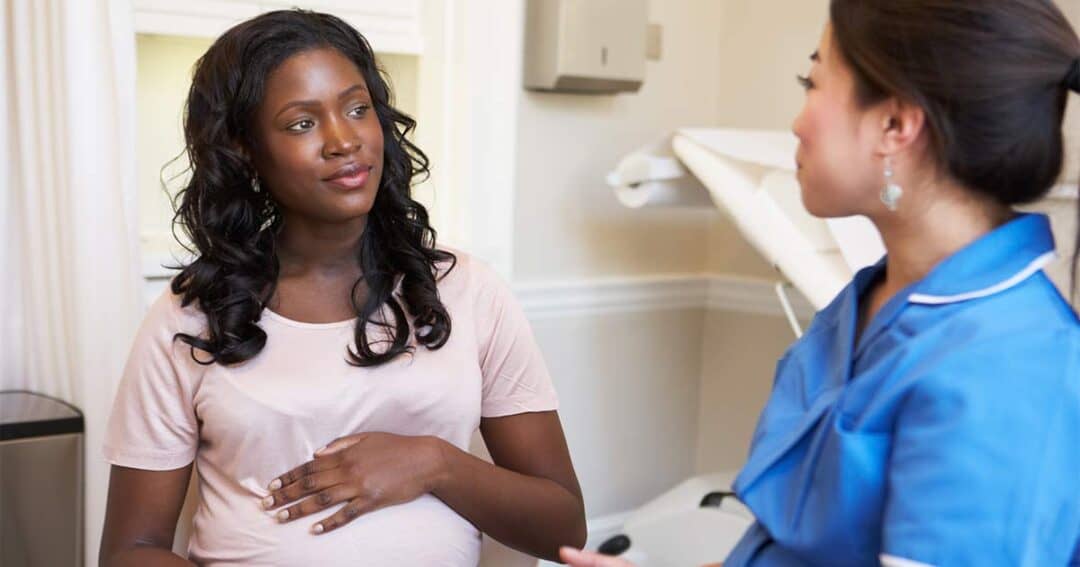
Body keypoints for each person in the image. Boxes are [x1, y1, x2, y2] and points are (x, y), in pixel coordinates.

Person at [563, 0, 1080, 565]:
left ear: (895, 124)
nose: (796, 121)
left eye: (810, 83)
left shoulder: (1010, 363)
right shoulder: (865, 306)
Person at [100, 9, 585, 566]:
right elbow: (129, 552)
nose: (343, 141)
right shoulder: (190, 316)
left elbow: (563, 527)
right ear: (244, 150)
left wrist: (434, 463)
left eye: (357, 110)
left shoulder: (468, 292)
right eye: (302, 123)